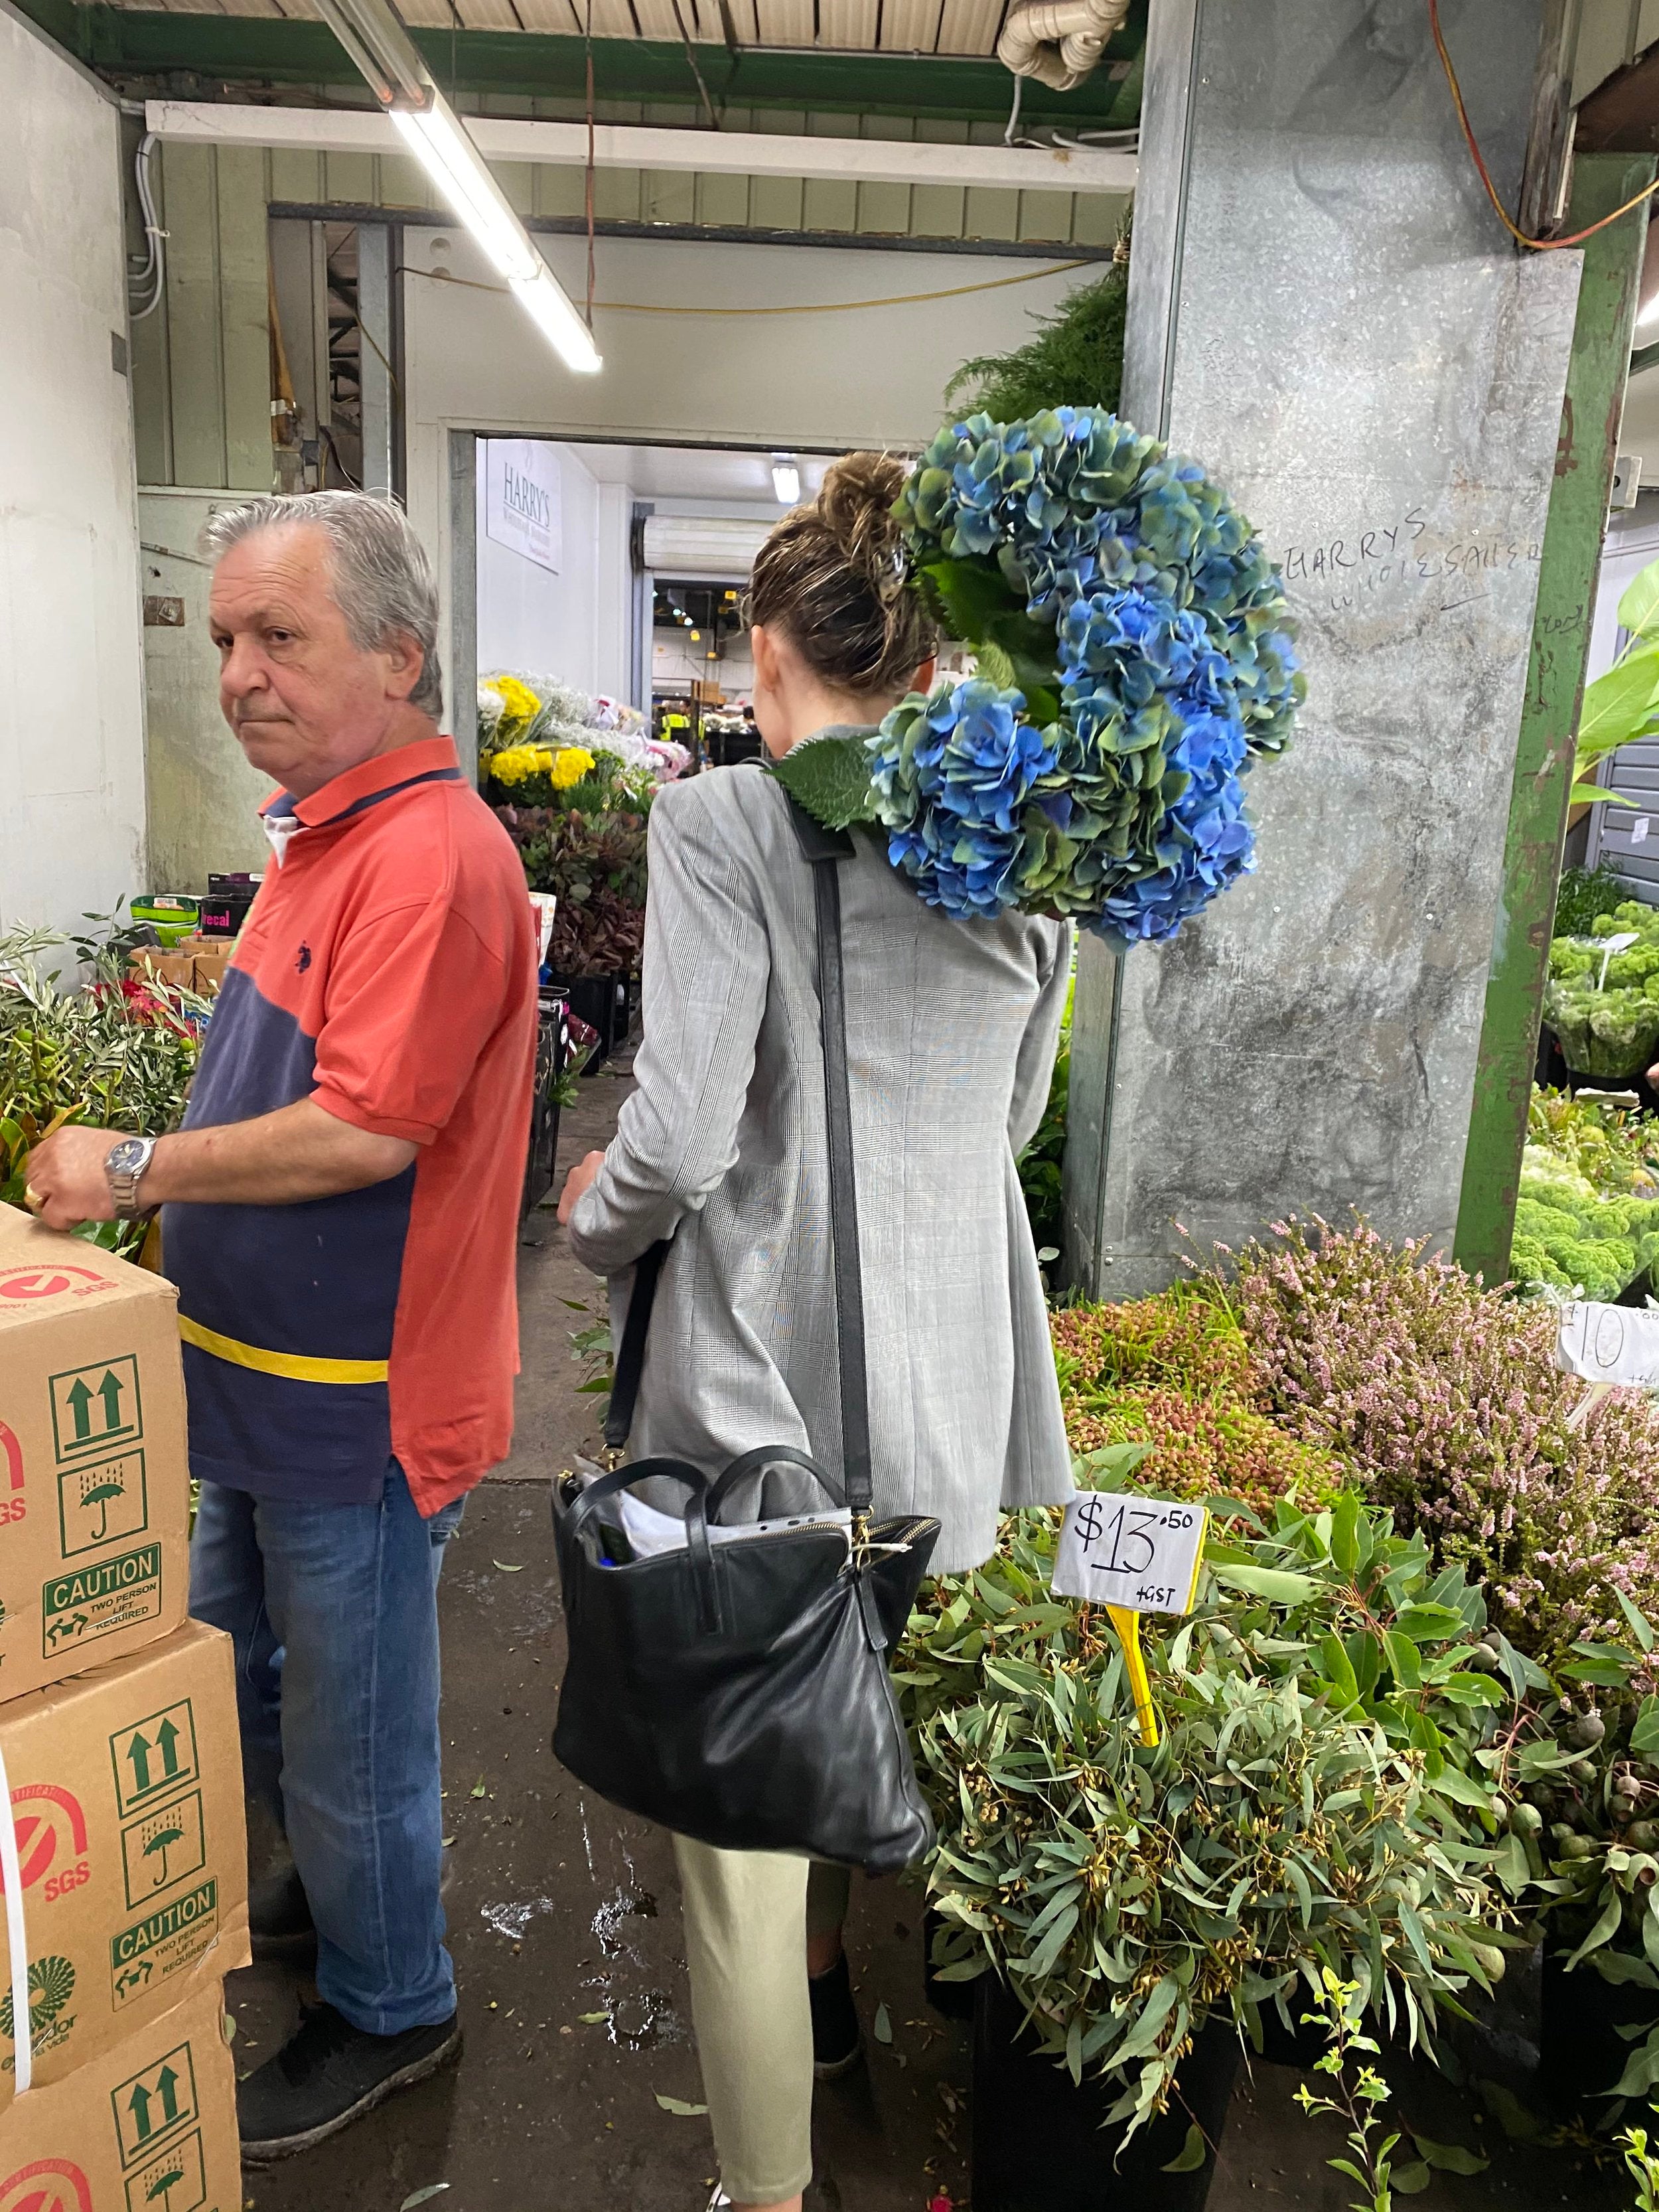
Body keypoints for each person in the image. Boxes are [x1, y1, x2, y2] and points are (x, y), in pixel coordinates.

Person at [557, 453, 1073, 2212]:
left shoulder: (717, 824)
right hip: (962, 1407)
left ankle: (766, 2191)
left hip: (756, 1410)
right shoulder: (1028, 857)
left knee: (745, 1847)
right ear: (928, 669)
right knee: (896, 1723)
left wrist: (587, 1222)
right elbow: (1008, 1120)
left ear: (773, 649)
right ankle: (844, 2009)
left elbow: (682, 1132)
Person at [27, 491, 538, 2161]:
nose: (237, 671)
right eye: (230, 637)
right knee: (246, 1684)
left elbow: (365, 1131)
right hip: (245, 1388)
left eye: (281, 638)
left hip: (359, 1409)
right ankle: (332, 1913)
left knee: (356, 1733)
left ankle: (397, 2005)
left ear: (395, 655)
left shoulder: (435, 856)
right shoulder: (321, 829)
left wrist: (131, 1163)